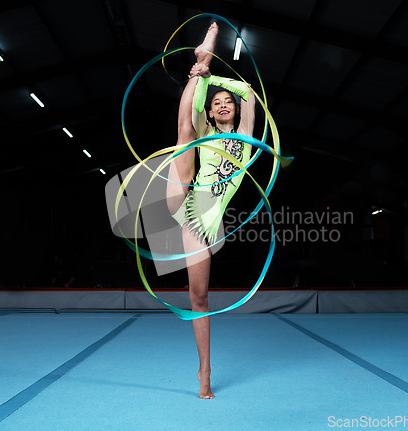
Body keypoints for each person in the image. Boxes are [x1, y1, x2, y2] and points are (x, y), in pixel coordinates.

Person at [166, 22, 255, 399]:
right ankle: (202, 55)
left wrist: (215, 76)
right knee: (186, 131)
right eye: (216, 102)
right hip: (183, 200)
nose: (222, 104)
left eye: (227, 103)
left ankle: (204, 370)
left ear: (234, 112)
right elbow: (198, 108)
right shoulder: (206, 130)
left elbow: (248, 92)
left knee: (199, 297)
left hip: (205, 223)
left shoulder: (247, 138)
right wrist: (203, 74)